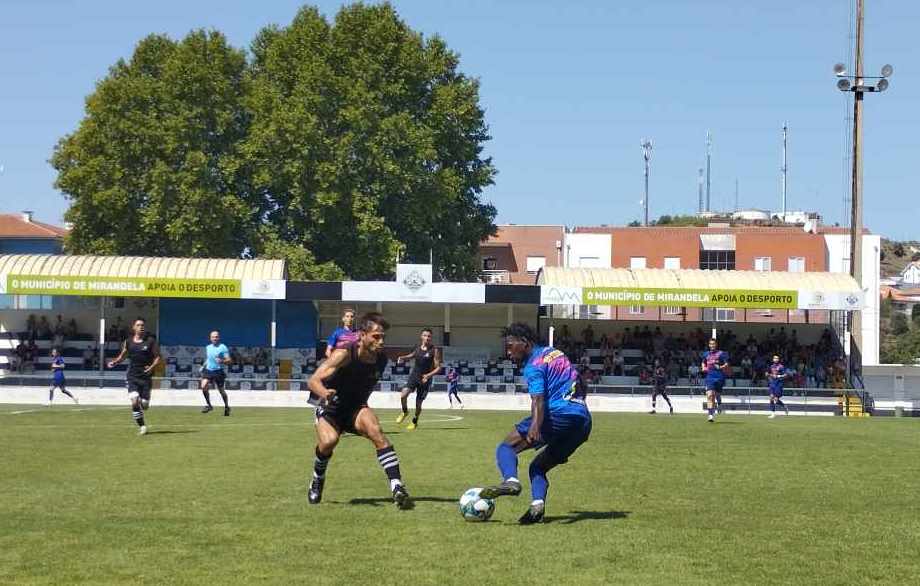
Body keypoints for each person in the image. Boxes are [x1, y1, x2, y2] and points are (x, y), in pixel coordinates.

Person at [479, 322, 592, 524]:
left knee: (505, 447)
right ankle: (537, 507)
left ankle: (511, 481)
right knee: (538, 467)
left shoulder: (534, 365)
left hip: (557, 415)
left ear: (524, 342)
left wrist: (535, 426)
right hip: (582, 422)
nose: (508, 352)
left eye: (510, 345)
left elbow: (538, 399)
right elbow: (581, 382)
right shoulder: (554, 352)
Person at [306, 312, 411, 509]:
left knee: (376, 431)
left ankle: (397, 486)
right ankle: (317, 478)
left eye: (383, 337)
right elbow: (313, 381)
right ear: (362, 335)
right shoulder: (344, 353)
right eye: (376, 336)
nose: (381, 341)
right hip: (331, 409)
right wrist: (325, 394)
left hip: (356, 409)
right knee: (329, 442)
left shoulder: (381, 359)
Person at [107, 318, 161, 435]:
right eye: (138, 325)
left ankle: (144, 402)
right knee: (134, 401)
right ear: (134, 327)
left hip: (146, 377)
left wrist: (151, 368)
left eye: (142, 325)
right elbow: (123, 356)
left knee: (145, 405)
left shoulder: (151, 341)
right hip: (132, 376)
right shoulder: (128, 341)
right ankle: (142, 426)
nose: (141, 327)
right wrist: (114, 362)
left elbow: (157, 358)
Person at [395, 328, 441, 430]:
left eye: (429, 336)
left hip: (425, 379)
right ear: (421, 337)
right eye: (425, 335)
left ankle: (415, 421)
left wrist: (428, 376)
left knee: (418, 404)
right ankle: (405, 411)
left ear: (431, 338)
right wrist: (403, 357)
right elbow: (412, 355)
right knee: (403, 394)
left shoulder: (434, 350)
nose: (427, 338)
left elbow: (438, 368)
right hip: (414, 376)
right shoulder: (417, 347)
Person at [200, 330, 232, 416]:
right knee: (203, 385)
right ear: (210, 338)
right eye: (213, 337)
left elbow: (229, 360)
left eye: (216, 337)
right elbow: (208, 359)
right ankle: (209, 405)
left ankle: (226, 407)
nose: (215, 338)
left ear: (219, 337)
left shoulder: (223, 347)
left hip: (218, 371)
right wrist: (203, 365)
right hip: (208, 370)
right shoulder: (208, 347)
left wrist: (222, 360)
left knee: (221, 391)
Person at [701, 338, 729, 423]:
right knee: (710, 395)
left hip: (719, 377)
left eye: (713, 344)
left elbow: (727, 364)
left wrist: (720, 367)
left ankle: (719, 403)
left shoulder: (721, 353)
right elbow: (703, 362)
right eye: (710, 344)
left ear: (716, 345)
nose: (712, 345)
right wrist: (703, 367)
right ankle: (710, 415)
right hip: (709, 377)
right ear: (709, 345)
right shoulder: (706, 354)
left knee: (717, 394)